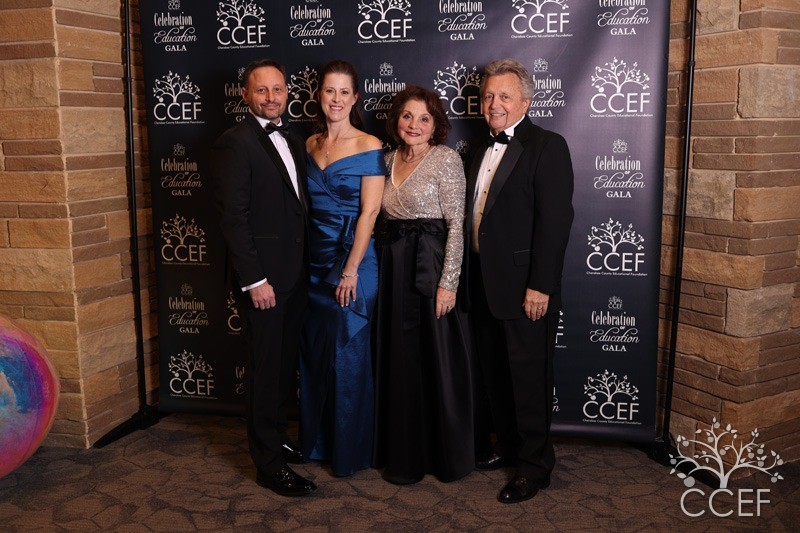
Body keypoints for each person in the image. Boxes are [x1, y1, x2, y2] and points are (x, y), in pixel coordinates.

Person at [465, 59, 574, 503]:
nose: (494, 104)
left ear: (526, 102)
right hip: (482, 284)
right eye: (488, 96)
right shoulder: (476, 148)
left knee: (529, 380)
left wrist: (540, 285)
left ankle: (534, 467)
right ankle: (508, 447)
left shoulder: (548, 146)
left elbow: (555, 222)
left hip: (526, 288)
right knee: (495, 375)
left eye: (505, 96)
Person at [210, 58, 316, 497]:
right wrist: (255, 280)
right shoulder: (234, 143)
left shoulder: (291, 138)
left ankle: (276, 438)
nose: (271, 98)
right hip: (265, 281)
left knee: (283, 367)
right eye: (261, 90)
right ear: (245, 96)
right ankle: (269, 465)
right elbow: (233, 218)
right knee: (265, 370)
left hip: (294, 274)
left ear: (287, 92)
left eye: (278, 89)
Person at [373, 85, 474, 485]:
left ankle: (441, 454)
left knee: (434, 360)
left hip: (430, 269)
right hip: (392, 268)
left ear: (436, 125)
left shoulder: (446, 160)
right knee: (398, 359)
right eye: (407, 116)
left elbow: (457, 227)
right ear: (396, 120)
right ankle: (401, 453)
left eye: (424, 118)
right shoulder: (384, 160)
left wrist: (449, 283)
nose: (414, 125)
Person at [299, 60, 385, 477]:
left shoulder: (369, 144)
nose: (336, 99)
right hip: (314, 263)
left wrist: (350, 270)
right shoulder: (309, 143)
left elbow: (370, 213)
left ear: (355, 98)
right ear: (320, 95)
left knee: (349, 358)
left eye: (344, 92)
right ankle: (318, 444)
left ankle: (350, 451)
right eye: (329, 90)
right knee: (317, 356)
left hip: (354, 261)